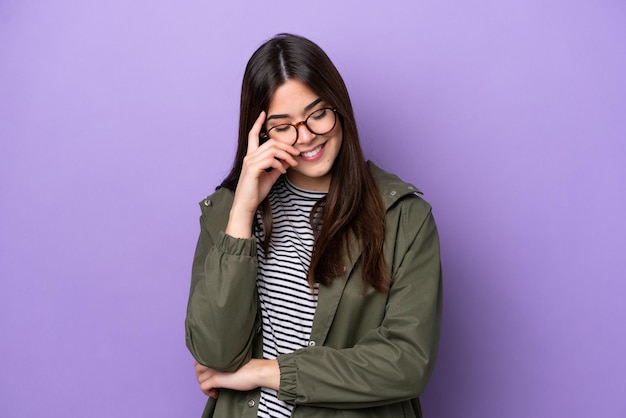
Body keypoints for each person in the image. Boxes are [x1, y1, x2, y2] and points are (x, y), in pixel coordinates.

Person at [185, 33, 442, 418]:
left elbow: (406, 362)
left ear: (339, 106)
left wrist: (267, 372)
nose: (306, 137)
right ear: (260, 134)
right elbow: (215, 353)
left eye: (317, 114)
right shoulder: (228, 213)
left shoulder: (404, 217)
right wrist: (242, 209)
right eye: (283, 125)